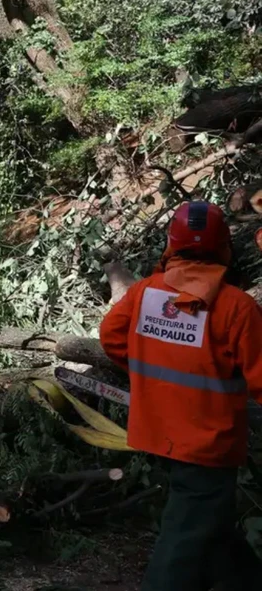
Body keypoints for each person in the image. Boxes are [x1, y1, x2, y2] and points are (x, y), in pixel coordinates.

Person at [100, 201, 262, 590]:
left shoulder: (144, 294)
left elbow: (110, 338)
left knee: (212, 527)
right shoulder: (236, 308)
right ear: (224, 246)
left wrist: (152, 375)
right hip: (209, 443)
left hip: (158, 432)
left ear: (170, 245)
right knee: (183, 541)